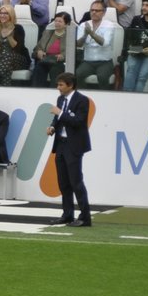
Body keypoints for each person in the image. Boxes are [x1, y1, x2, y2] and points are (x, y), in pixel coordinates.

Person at [47, 71, 91, 225]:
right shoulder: (61, 99)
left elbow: (78, 122)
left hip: (74, 145)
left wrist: (60, 113)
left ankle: (85, 217)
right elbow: (57, 119)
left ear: (70, 85)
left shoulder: (82, 100)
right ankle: (67, 214)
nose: (58, 87)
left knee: (76, 182)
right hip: (61, 144)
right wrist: (52, 127)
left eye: (61, 85)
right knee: (63, 182)